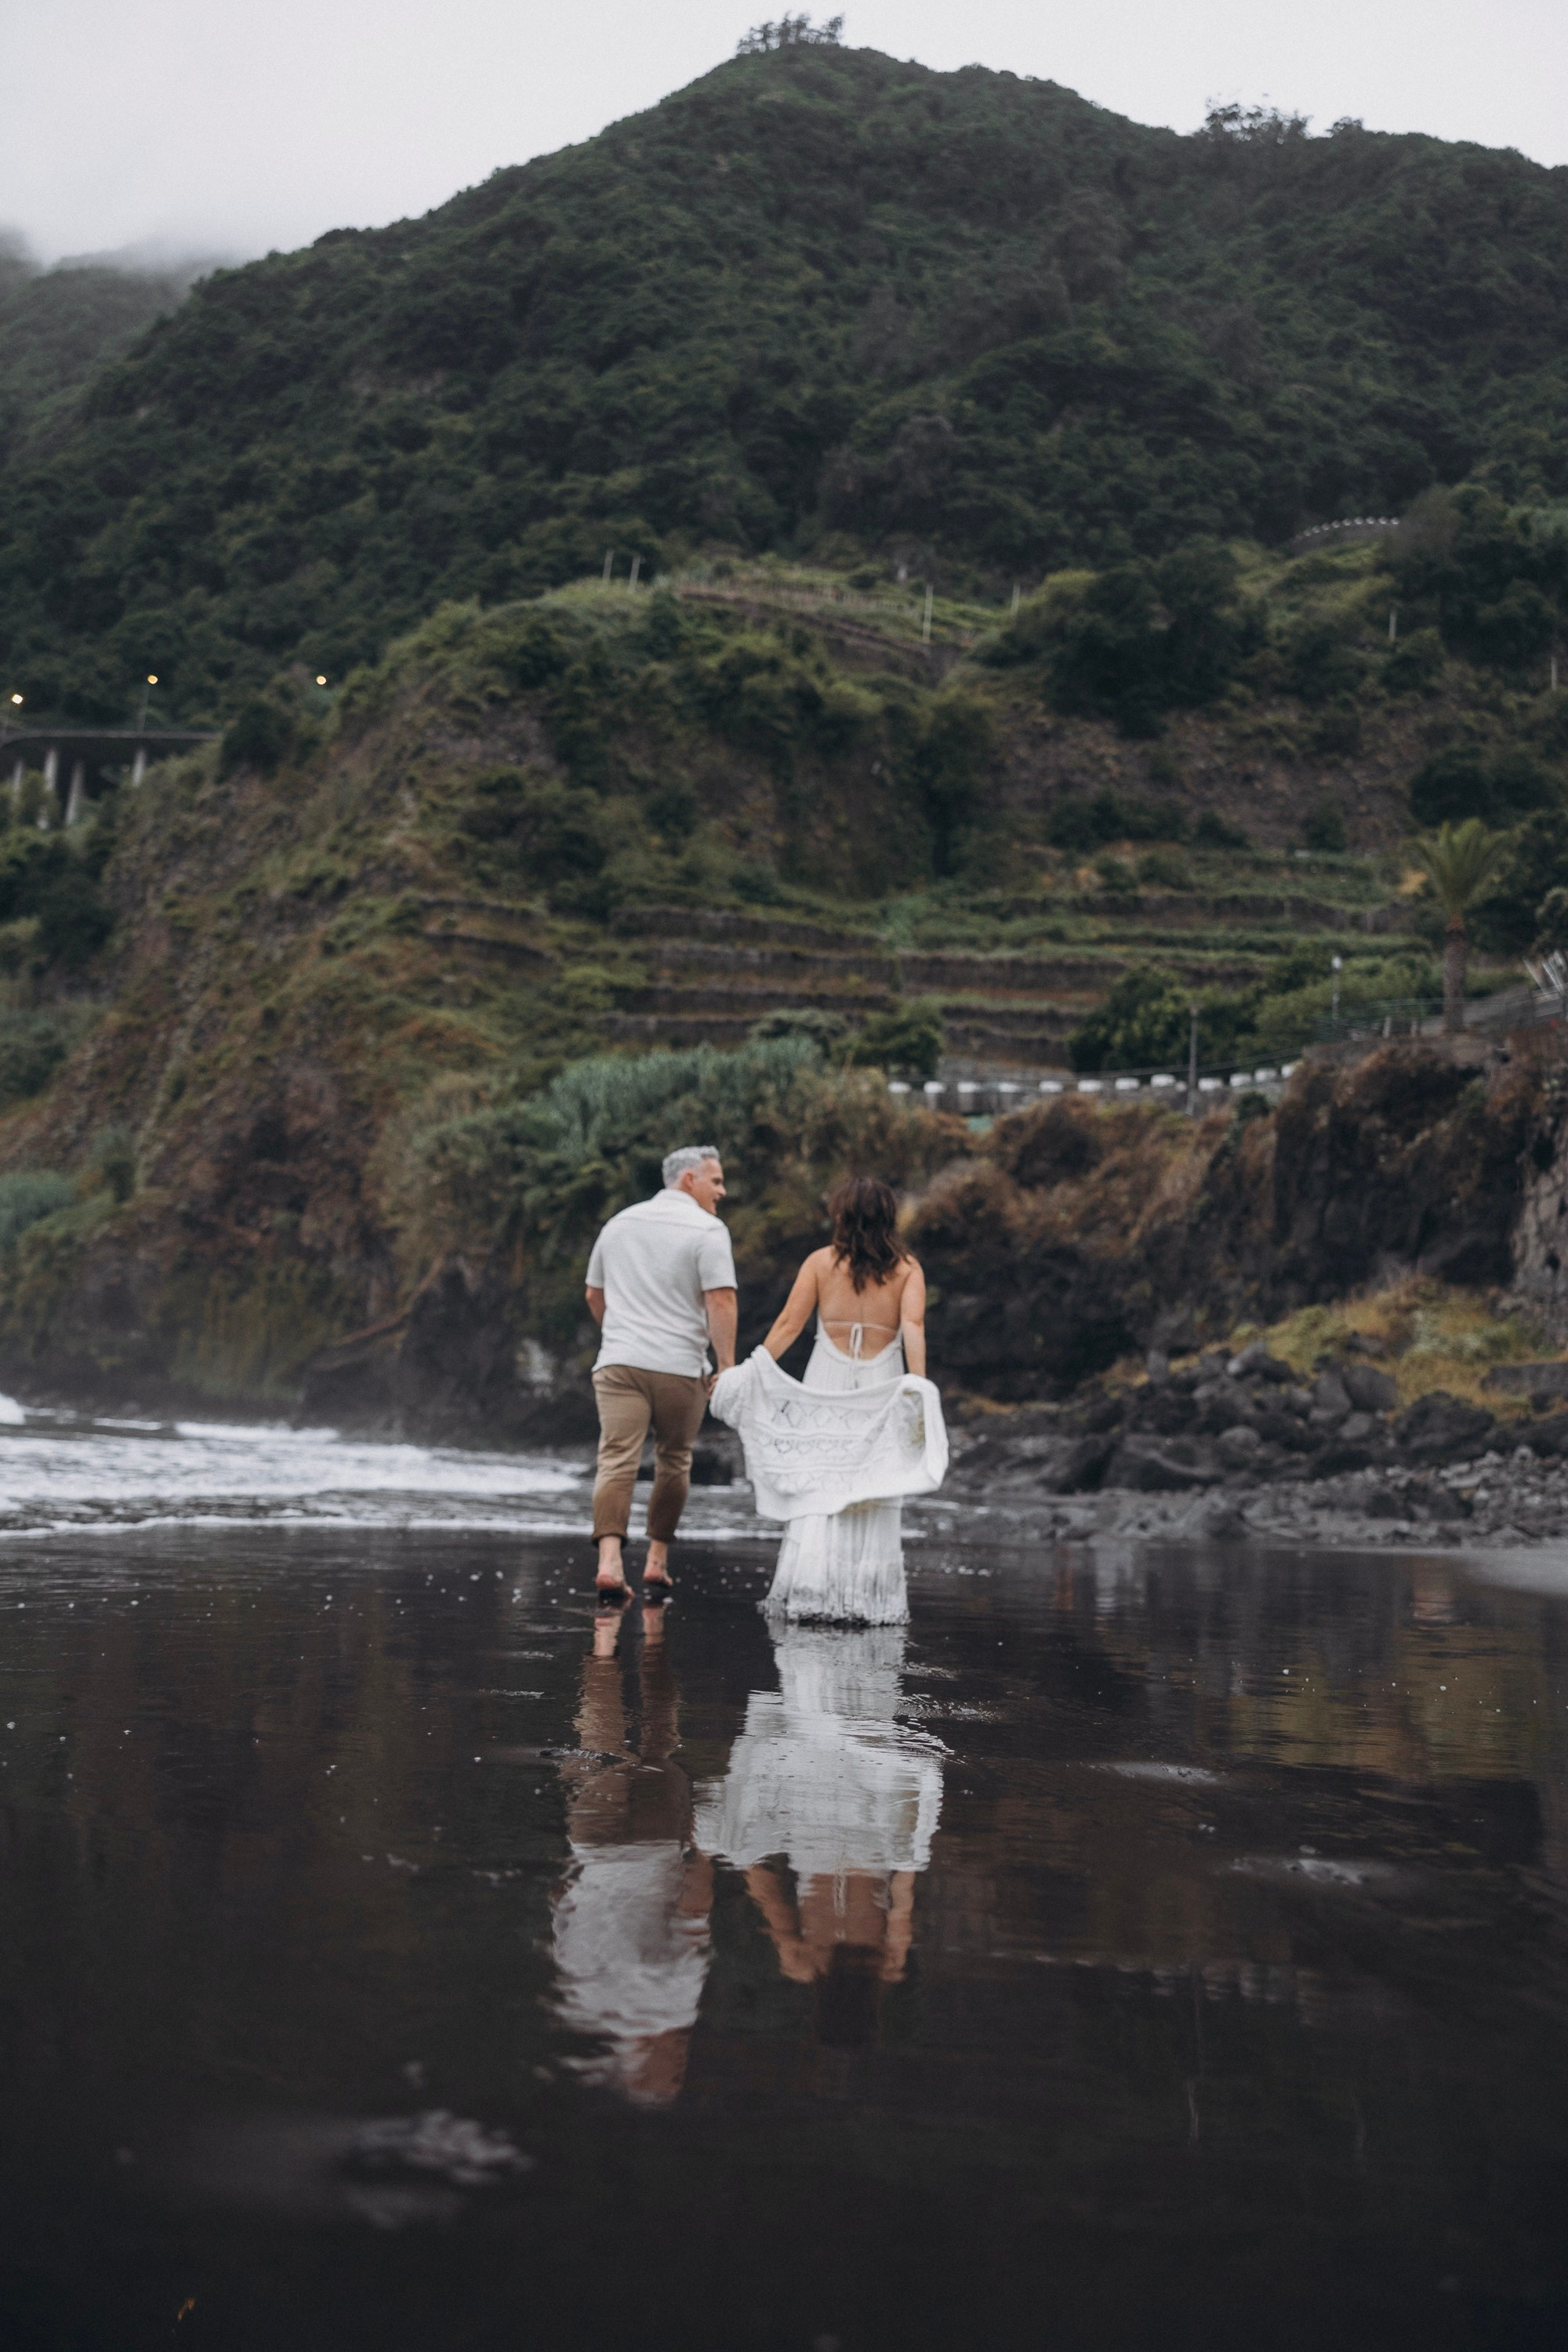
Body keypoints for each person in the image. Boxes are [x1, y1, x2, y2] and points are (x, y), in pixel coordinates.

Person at [753, 1176, 930, 1624]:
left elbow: (789, 1325)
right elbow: (913, 1327)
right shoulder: (908, 1269)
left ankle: (812, 1588)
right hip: (882, 1384)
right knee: (875, 1481)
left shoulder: (819, 1263)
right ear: (889, 1217)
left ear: (842, 1215)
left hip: (826, 1380)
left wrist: (751, 1370)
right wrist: (919, 1388)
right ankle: (867, 1599)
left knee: (820, 1478)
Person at [585, 1145, 738, 1601]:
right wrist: (726, 1366)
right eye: (715, 1181)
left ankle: (609, 1562)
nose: (722, 1191)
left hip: (620, 1363)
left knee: (617, 1458)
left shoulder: (619, 1223)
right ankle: (657, 1560)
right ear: (689, 1179)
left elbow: (594, 1294)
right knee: (674, 1460)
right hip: (679, 1367)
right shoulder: (708, 1230)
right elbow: (721, 1299)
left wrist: (620, 1335)